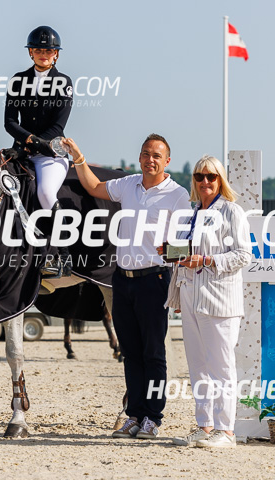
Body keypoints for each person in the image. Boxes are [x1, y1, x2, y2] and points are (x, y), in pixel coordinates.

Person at [63, 134, 190, 439]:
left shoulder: (177, 194)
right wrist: (79, 157)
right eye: (146, 154)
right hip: (122, 279)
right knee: (130, 353)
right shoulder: (129, 184)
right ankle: (134, 415)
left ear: (167, 161)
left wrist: (169, 255)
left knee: (153, 353)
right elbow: (94, 187)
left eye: (156, 156)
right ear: (140, 157)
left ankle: (152, 419)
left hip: (155, 280)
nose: (150, 160)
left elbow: (186, 243)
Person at [164, 155, 251, 449]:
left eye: (211, 176)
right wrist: (169, 251)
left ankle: (226, 431)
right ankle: (205, 426)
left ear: (220, 180)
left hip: (219, 298)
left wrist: (207, 260)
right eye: (199, 176)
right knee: (198, 367)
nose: (204, 181)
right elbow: (185, 253)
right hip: (190, 295)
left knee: (221, 367)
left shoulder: (232, 211)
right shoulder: (191, 213)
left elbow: (244, 254)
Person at [4, 25, 73, 276]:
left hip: (50, 154)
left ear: (56, 54)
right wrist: (25, 147)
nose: (44, 54)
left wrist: (30, 146)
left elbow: (57, 126)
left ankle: (64, 256)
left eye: (49, 51)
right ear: (30, 52)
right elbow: (9, 122)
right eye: (39, 50)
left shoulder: (64, 83)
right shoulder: (17, 81)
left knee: (45, 192)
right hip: (21, 151)